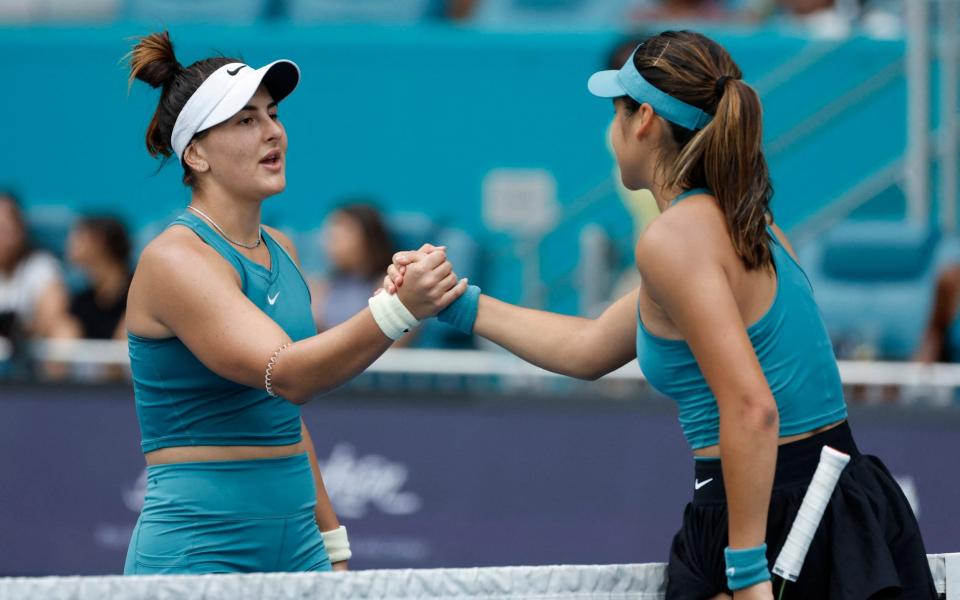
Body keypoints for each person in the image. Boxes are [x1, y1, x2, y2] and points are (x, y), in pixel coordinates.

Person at [387, 30, 936, 599]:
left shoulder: (673, 239)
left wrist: (747, 576)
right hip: (845, 502)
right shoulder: (749, 221)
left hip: (773, 521)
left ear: (644, 119)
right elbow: (590, 347)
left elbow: (753, 409)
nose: (610, 129)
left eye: (616, 111)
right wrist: (454, 302)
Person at [123, 31, 465, 574]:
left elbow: (285, 414)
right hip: (199, 550)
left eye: (273, 113)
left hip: (298, 545)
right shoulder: (175, 259)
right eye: (245, 120)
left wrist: (331, 544)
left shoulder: (280, 246)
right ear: (196, 154)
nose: (273, 131)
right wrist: (397, 310)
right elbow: (290, 376)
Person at [0, 191, 70, 362]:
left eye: (4, 229)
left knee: (65, 331)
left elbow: (53, 317)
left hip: (26, 361)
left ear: (20, 230)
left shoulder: (41, 267)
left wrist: (19, 329)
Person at [311, 203, 395, 332]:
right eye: (331, 235)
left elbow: (395, 342)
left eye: (343, 232)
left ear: (369, 237)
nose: (331, 242)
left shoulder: (391, 284)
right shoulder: (322, 286)